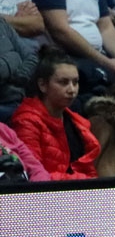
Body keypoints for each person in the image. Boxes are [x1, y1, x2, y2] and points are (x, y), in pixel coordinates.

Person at [12, 49, 100, 180]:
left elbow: (89, 170)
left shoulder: (77, 123)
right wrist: (83, 181)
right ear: (42, 85)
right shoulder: (26, 122)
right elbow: (33, 175)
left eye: (75, 82)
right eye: (63, 82)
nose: (72, 90)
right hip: (47, 196)